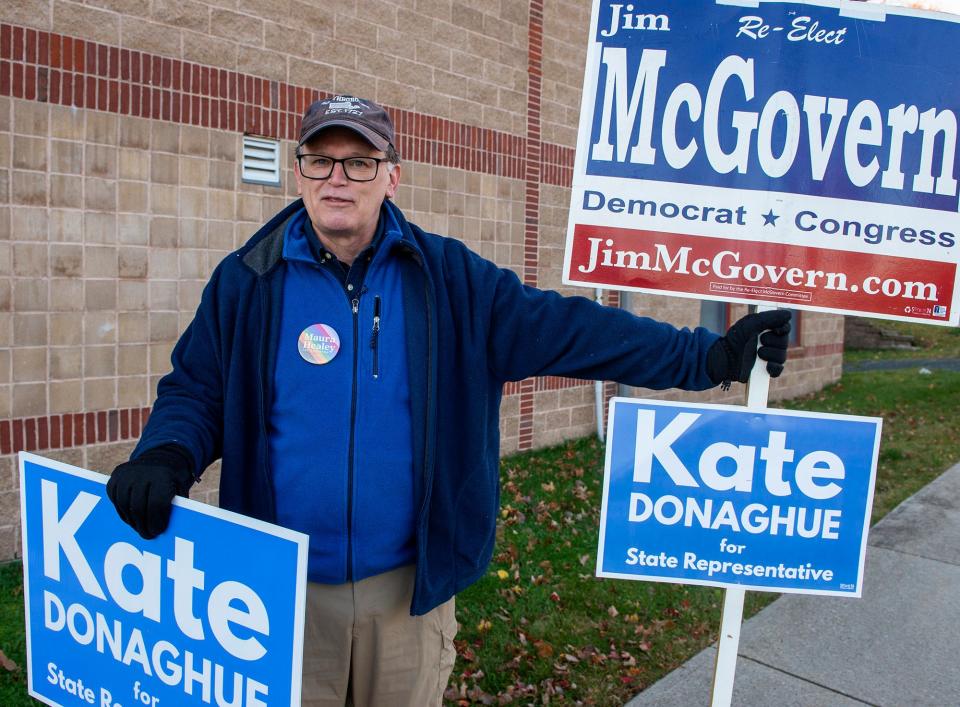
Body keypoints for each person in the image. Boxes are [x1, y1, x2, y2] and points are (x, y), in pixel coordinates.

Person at [107, 95, 791, 706]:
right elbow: (197, 388)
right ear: (299, 173)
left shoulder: (451, 283)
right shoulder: (247, 282)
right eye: (320, 161)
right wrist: (166, 452)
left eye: (359, 162)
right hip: (274, 593)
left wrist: (705, 356)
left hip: (408, 592)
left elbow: (577, 330)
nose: (337, 179)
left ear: (392, 176)